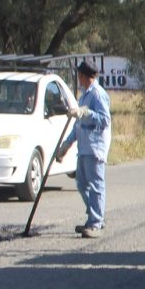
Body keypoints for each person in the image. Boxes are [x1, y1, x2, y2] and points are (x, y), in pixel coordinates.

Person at [56, 60, 111, 238]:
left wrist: (86, 113)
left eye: (79, 75)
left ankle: (96, 222)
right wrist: (66, 144)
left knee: (96, 186)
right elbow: (78, 124)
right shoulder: (85, 95)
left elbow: (104, 120)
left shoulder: (97, 94)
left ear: (83, 76)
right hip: (83, 147)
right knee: (81, 183)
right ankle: (93, 217)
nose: (78, 79)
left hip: (95, 148)